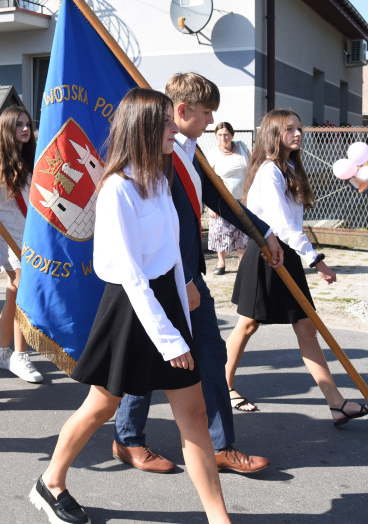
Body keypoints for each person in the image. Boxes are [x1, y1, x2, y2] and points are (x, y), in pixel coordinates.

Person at [30, 88, 230, 524]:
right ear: (142, 128)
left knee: (193, 414)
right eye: (166, 123)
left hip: (165, 304)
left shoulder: (160, 178)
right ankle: (51, 481)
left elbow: (175, 253)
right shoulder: (117, 189)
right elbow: (131, 275)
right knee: (101, 405)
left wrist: (183, 306)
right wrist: (168, 337)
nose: (174, 128)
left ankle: (219, 518)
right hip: (129, 309)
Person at [112, 74, 277, 477]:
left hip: (188, 279)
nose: (210, 123)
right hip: (166, 280)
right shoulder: (158, 154)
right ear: (181, 111)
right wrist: (182, 280)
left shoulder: (189, 150)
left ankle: (221, 445)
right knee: (152, 359)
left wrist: (265, 233)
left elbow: (217, 196)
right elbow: (162, 232)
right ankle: (128, 438)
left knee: (208, 355)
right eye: (206, 115)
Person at [225, 109, 368, 426]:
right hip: (266, 253)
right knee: (248, 325)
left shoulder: (290, 167)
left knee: (306, 327)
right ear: (273, 134)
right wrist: (316, 259)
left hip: (286, 252)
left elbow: (292, 224)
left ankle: (335, 403)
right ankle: (223, 387)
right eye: (289, 129)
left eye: (299, 128)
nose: (298, 133)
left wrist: (304, 255)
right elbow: (280, 223)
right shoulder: (268, 172)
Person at [0, 105, 42, 384]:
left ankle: (1, 351)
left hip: (29, 236)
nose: (25, 129)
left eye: (28, 124)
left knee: (13, 294)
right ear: (7, 128)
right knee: (23, 292)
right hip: (7, 239)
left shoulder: (30, 159)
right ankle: (20, 354)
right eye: (19, 125)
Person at [206, 122, 251, 275]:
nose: (223, 138)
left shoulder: (242, 148)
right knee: (221, 231)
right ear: (216, 137)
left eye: (226, 134)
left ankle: (242, 263)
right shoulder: (212, 154)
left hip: (242, 198)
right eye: (219, 135)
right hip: (221, 201)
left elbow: (251, 170)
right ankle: (221, 262)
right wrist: (210, 205)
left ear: (232, 135)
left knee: (242, 230)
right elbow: (208, 180)